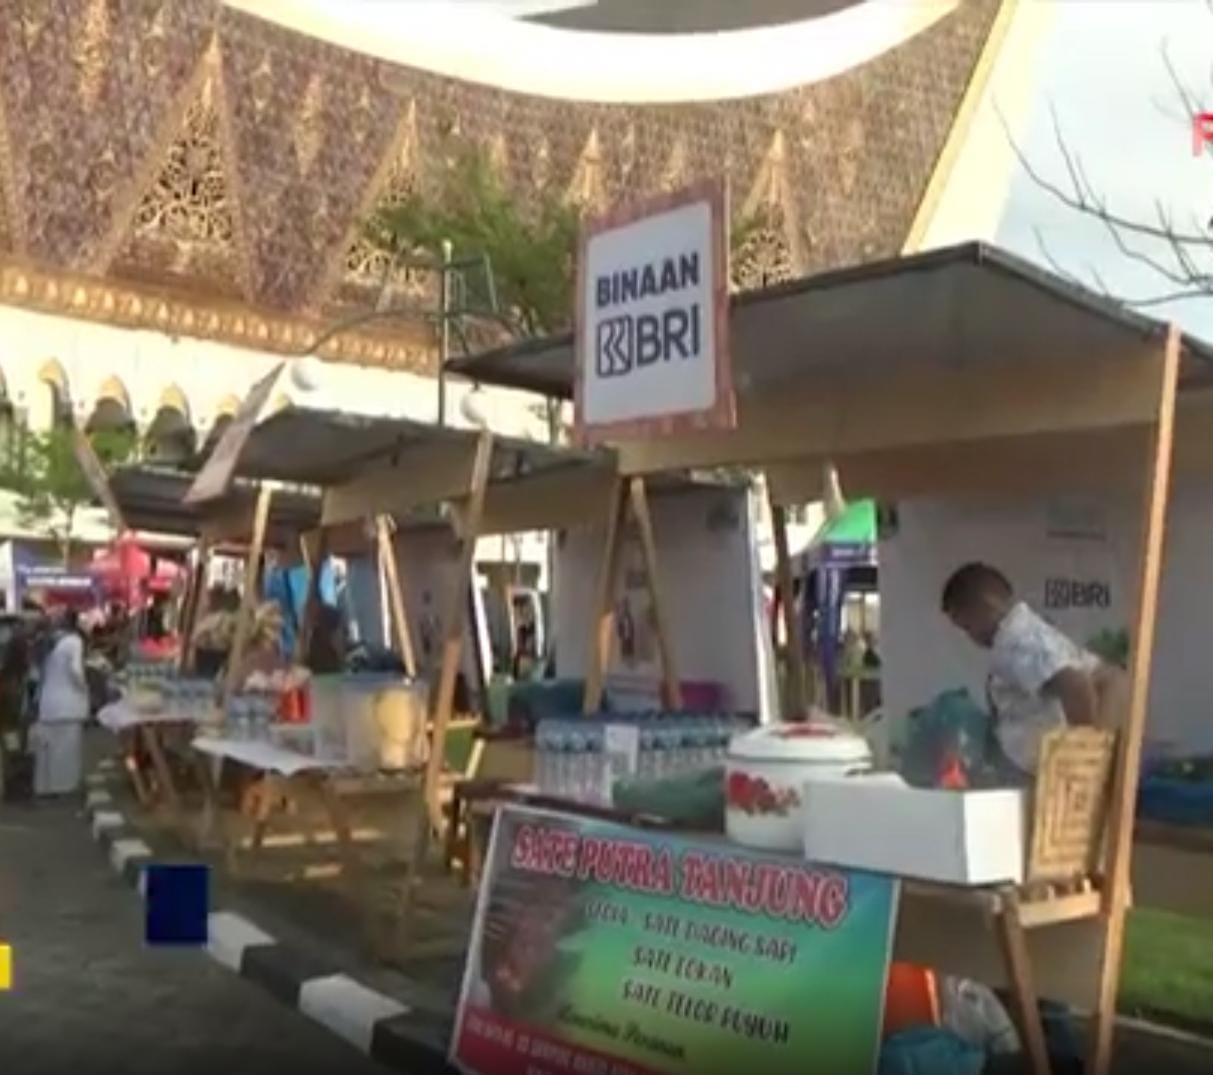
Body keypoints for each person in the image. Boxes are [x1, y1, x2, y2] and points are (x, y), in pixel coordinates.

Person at [940, 562, 1105, 783]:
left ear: (986, 606)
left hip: (1054, 772)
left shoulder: (1020, 641)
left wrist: (1085, 760)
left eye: (968, 626)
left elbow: (1075, 685)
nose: (970, 637)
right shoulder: (1017, 638)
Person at [32, 609, 91, 796]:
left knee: (46, 751)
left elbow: (36, 674)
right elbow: (76, 671)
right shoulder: (74, 641)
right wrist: (84, 689)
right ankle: (64, 788)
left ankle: (44, 788)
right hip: (69, 703)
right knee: (66, 749)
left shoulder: (46, 642)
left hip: (47, 703)